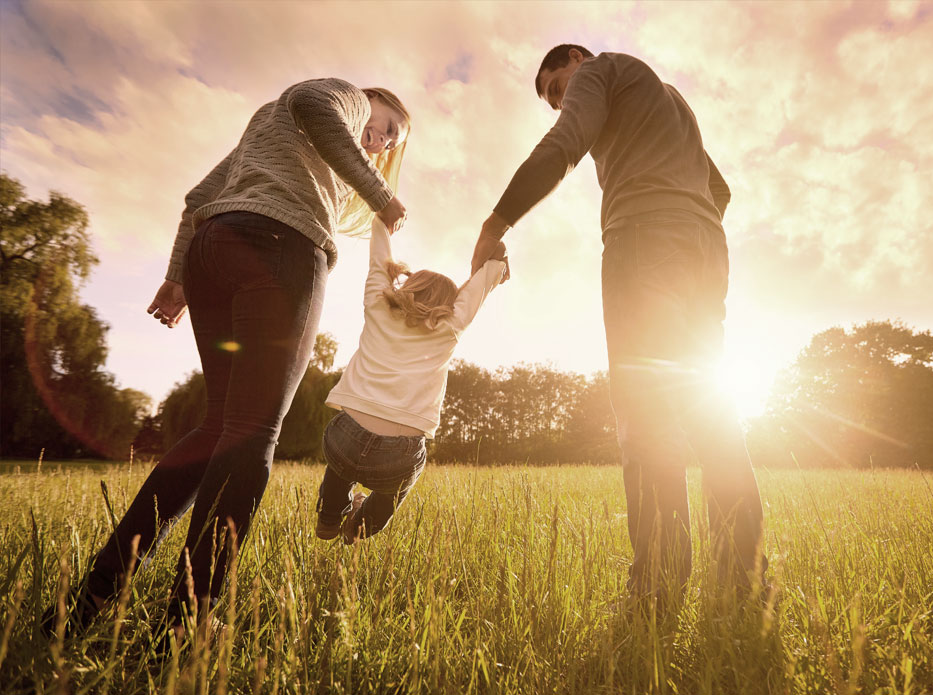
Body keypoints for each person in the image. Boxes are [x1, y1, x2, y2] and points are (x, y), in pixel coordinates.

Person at [44, 79, 412, 639]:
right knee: (253, 433)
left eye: (390, 143)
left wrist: (176, 278)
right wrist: (380, 193)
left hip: (213, 252)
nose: (381, 142)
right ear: (369, 100)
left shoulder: (274, 134)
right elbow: (314, 103)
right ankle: (187, 622)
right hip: (281, 249)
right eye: (386, 126)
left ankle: (93, 597)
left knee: (219, 427)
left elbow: (197, 199)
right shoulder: (341, 96)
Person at [470, 45, 766, 607]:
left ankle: (657, 588)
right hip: (705, 247)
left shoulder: (600, 71)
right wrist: (684, 223)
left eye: (560, 87)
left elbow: (564, 145)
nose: (562, 102)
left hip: (644, 240)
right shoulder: (669, 98)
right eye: (554, 98)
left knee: (647, 413)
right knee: (712, 413)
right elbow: (719, 189)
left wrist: (495, 222)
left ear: (578, 60)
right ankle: (743, 582)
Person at [315, 219, 507, 543]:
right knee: (393, 491)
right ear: (450, 305)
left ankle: (330, 518)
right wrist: (496, 264)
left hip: (345, 437)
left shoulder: (378, 304)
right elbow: (481, 285)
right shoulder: (451, 326)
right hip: (399, 453)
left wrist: (382, 221)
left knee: (341, 464)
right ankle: (359, 527)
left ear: (408, 287)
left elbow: (378, 260)